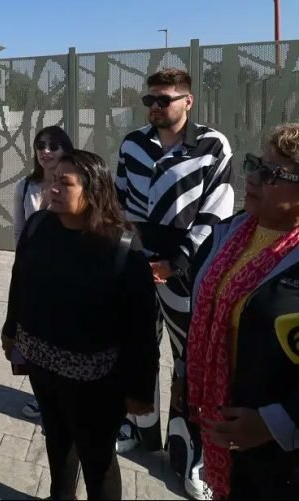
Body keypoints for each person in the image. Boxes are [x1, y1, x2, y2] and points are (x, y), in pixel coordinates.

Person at [2, 150, 158, 500]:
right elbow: (19, 279)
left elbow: (142, 326)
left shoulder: (121, 245)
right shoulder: (38, 226)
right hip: (42, 365)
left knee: (97, 458)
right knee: (57, 439)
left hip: (96, 381)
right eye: (53, 180)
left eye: (65, 183)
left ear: (93, 191)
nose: (53, 189)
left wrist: (140, 390)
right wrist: (11, 329)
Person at [114, 68, 235, 499]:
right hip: (137, 265)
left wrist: (176, 263)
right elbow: (120, 202)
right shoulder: (133, 143)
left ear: (188, 101)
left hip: (187, 270)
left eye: (163, 100)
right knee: (136, 348)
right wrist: (125, 256)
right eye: (149, 99)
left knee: (189, 360)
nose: (154, 107)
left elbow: (216, 212)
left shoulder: (212, 145)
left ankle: (191, 455)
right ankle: (139, 429)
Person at [187, 123, 299, 500]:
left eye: (272, 173)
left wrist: (276, 423)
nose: (251, 177)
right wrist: (187, 377)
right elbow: (201, 321)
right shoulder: (228, 234)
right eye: (256, 165)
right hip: (223, 424)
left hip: (280, 457)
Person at [13, 125, 74, 419]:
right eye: (40, 146)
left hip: (70, 276)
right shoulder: (25, 186)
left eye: (53, 146)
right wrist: (22, 267)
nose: (45, 152)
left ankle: (69, 396)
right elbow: (19, 231)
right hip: (35, 274)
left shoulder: (78, 185)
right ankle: (42, 396)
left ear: (66, 149)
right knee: (36, 338)